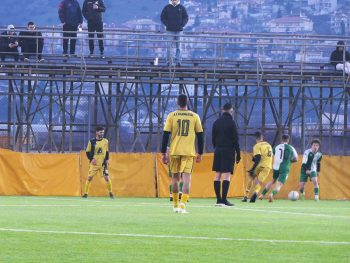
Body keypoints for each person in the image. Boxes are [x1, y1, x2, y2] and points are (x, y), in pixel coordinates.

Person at [161, 94, 203, 213]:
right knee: (186, 180)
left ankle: (175, 205)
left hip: (174, 151)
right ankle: (183, 206)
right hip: (188, 152)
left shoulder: (172, 116)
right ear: (187, 102)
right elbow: (200, 136)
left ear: (177, 103)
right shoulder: (195, 116)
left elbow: (165, 135)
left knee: (174, 179)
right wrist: (200, 152)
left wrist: (163, 152)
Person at [212, 103, 241, 207]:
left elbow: (213, 138)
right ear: (231, 110)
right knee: (227, 175)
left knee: (217, 174)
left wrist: (217, 147)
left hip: (218, 150)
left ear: (222, 109)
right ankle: (224, 199)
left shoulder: (216, 122)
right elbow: (235, 140)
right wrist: (238, 153)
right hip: (228, 150)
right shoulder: (232, 123)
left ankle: (218, 199)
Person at [259, 134, 298, 202]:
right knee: (279, 184)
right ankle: (272, 194)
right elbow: (296, 159)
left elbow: (271, 154)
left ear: (282, 139)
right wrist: (289, 161)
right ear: (288, 140)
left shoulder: (276, 147)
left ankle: (262, 194)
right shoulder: (291, 148)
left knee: (272, 180)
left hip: (276, 167)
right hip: (285, 168)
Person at [82, 126, 114, 199]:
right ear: (97, 132)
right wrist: (91, 158)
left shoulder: (106, 141)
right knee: (89, 178)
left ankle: (111, 193)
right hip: (94, 164)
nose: (102, 133)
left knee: (107, 178)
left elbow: (107, 151)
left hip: (103, 164)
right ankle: (85, 194)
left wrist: (107, 160)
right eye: (100, 132)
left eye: (103, 132)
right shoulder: (92, 141)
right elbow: (87, 152)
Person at [245, 131, 273, 203]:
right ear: (262, 137)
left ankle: (246, 196)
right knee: (259, 181)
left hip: (259, 165)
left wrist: (252, 168)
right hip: (267, 166)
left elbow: (258, 158)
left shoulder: (257, 146)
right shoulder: (268, 145)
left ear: (255, 138)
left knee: (252, 177)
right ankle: (256, 192)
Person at [161, 0, 188, 66]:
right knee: (169, 47)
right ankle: (169, 61)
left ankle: (178, 61)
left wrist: (182, 24)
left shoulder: (182, 7)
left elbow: (186, 17)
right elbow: (162, 17)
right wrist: (167, 24)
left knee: (178, 47)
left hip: (179, 30)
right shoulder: (167, 7)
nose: (174, 1)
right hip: (169, 30)